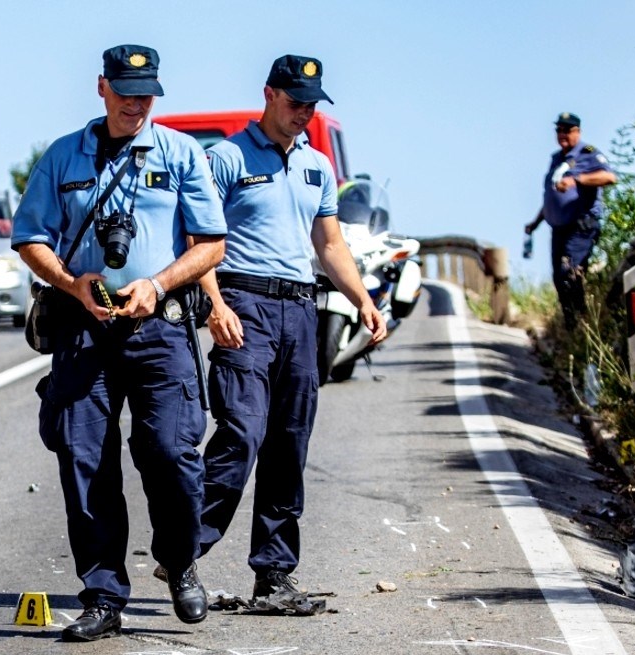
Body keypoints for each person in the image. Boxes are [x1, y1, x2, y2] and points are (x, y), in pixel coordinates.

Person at [10, 44, 226, 642]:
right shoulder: (63, 155)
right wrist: (70, 283)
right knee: (83, 459)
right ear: (102, 87)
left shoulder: (180, 153)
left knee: (172, 453)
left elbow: (211, 244)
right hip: (85, 325)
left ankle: (180, 561)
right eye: (126, 92)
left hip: (158, 325)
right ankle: (104, 596)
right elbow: (29, 237)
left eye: (146, 94)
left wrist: (158, 284)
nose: (136, 104)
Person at [196, 54, 386, 599]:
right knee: (242, 430)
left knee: (288, 442)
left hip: (300, 310)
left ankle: (274, 574)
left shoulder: (317, 166)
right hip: (244, 303)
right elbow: (198, 238)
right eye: (296, 102)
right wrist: (214, 304)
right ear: (270, 95)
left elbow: (330, 244)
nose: (304, 112)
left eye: (311, 105)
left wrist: (363, 299)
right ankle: (185, 544)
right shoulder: (226, 158)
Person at [525, 112, 617, 330]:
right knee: (559, 278)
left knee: (570, 273)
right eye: (559, 130)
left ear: (578, 131)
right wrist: (536, 223)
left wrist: (577, 179)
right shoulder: (556, 159)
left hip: (581, 225)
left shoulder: (587, 153)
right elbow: (551, 198)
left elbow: (609, 177)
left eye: (567, 130)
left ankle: (582, 321)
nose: (562, 134)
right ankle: (572, 326)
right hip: (559, 228)